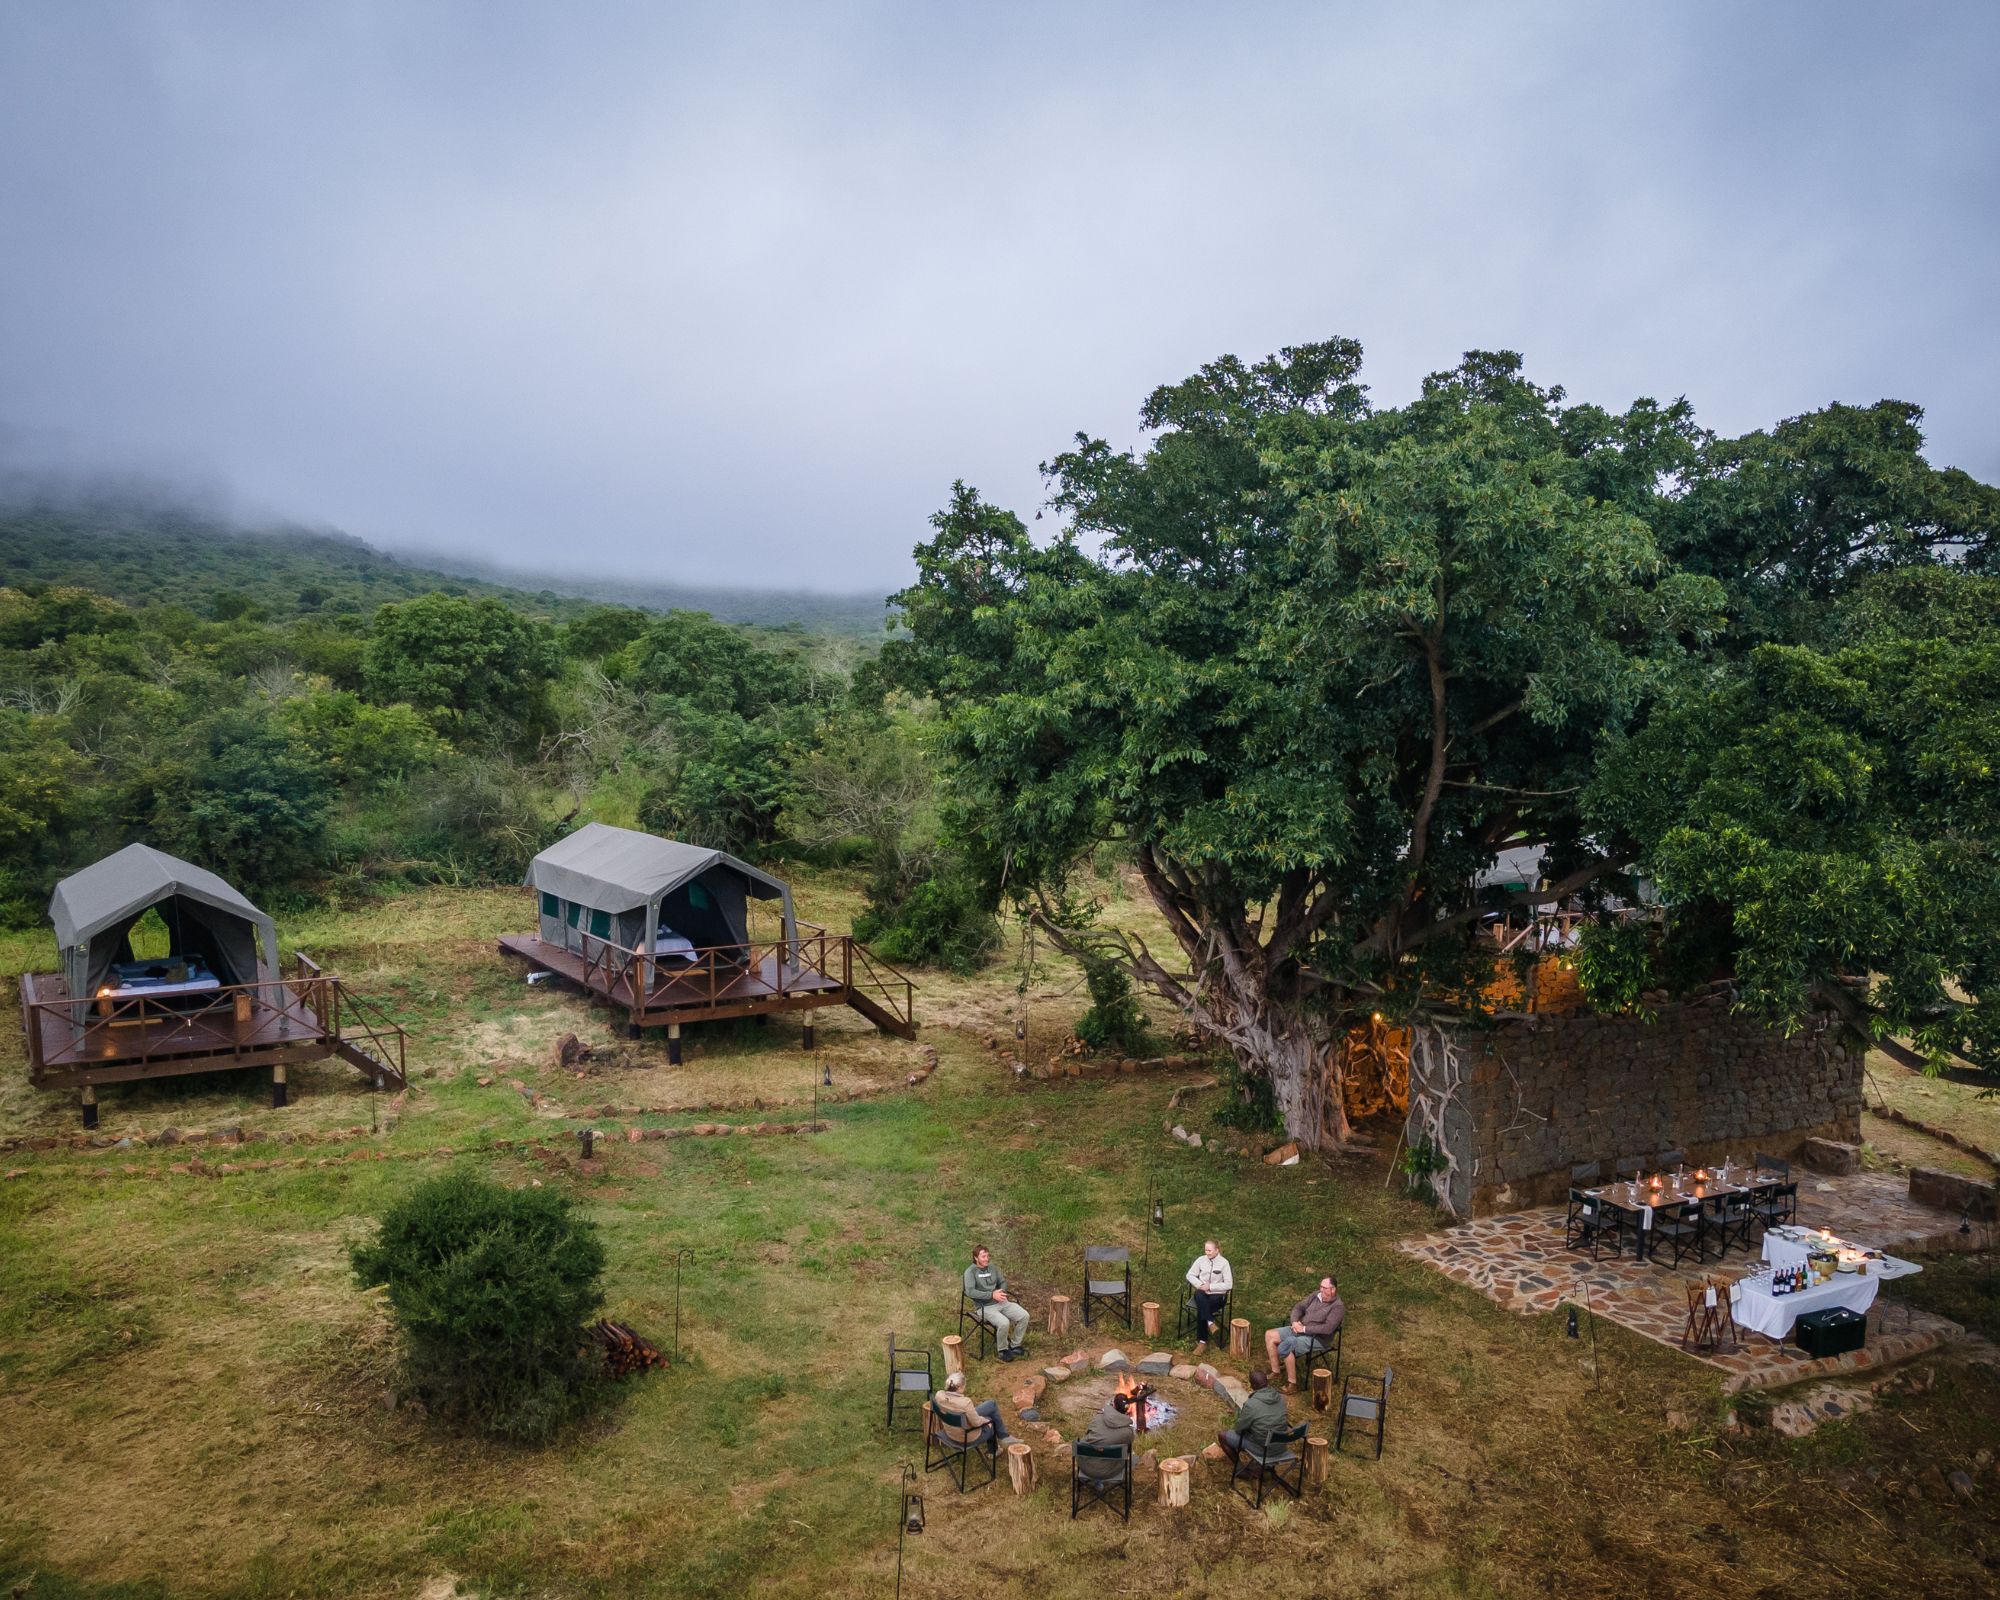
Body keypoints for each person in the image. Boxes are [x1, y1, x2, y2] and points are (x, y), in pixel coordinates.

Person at [1263, 1275, 1344, 1392]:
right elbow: (1299, 1307)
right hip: (1300, 1328)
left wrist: (1305, 1329)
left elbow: (1327, 1329)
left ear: (1333, 1290)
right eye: (1320, 1286)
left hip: (1318, 1338)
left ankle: (1292, 1384)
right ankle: (1276, 1371)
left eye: (1325, 1288)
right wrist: (1295, 1322)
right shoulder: (1316, 1295)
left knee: (1287, 1345)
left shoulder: (1338, 1307)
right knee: (1269, 1335)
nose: (1321, 1290)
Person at [963, 1245, 1031, 1361]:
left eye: (987, 1256)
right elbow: (970, 1292)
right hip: (985, 1307)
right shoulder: (970, 1272)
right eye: (983, 1256)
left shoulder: (993, 1268)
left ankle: (1015, 1345)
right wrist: (991, 1294)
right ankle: (1003, 1350)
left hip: (1002, 1302)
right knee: (1004, 1323)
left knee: (1024, 1316)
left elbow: (1003, 1282)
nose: (986, 1259)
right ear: (975, 1258)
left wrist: (1002, 1292)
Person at [1217, 1370, 1289, 1469]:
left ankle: (1240, 1470)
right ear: (1266, 1381)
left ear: (1253, 1385)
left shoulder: (1252, 1404)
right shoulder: (1280, 1397)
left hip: (1265, 1451)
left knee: (1223, 1436)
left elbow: (1239, 1429)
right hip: (1281, 1446)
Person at [931, 1370, 1010, 1446]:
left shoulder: (939, 1395)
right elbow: (976, 1423)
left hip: (950, 1433)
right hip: (965, 1438)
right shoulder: (965, 1403)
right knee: (990, 1420)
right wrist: (985, 1420)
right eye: (964, 1386)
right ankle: (995, 1449)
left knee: (991, 1404)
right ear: (959, 1388)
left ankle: (1003, 1438)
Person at [1184, 1238, 1233, 1354]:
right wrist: (1200, 1284)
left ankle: (1202, 1342)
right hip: (1202, 1293)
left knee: (1202, 1308)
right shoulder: (1201, 1260)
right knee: (1199, 1295)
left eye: (1210, 1251)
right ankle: (1210, 1323)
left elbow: (1229, 1284)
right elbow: (1190, 1275)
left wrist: (1210, 1287)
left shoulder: (1224, 1263)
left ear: (1217, 1250)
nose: (1207, 1253)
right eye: (1206, 1250)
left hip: (1217, 1296)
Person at [1073, 1390, 1136, 1479]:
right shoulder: (1128, 1432)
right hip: (1109, 1472)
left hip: (1086, 1467)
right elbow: (1127, 1450)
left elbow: (1087, 1434)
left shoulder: (1098, 1418)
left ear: (1113, 1405)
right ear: (1127, 1410)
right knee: (1132, 1458)